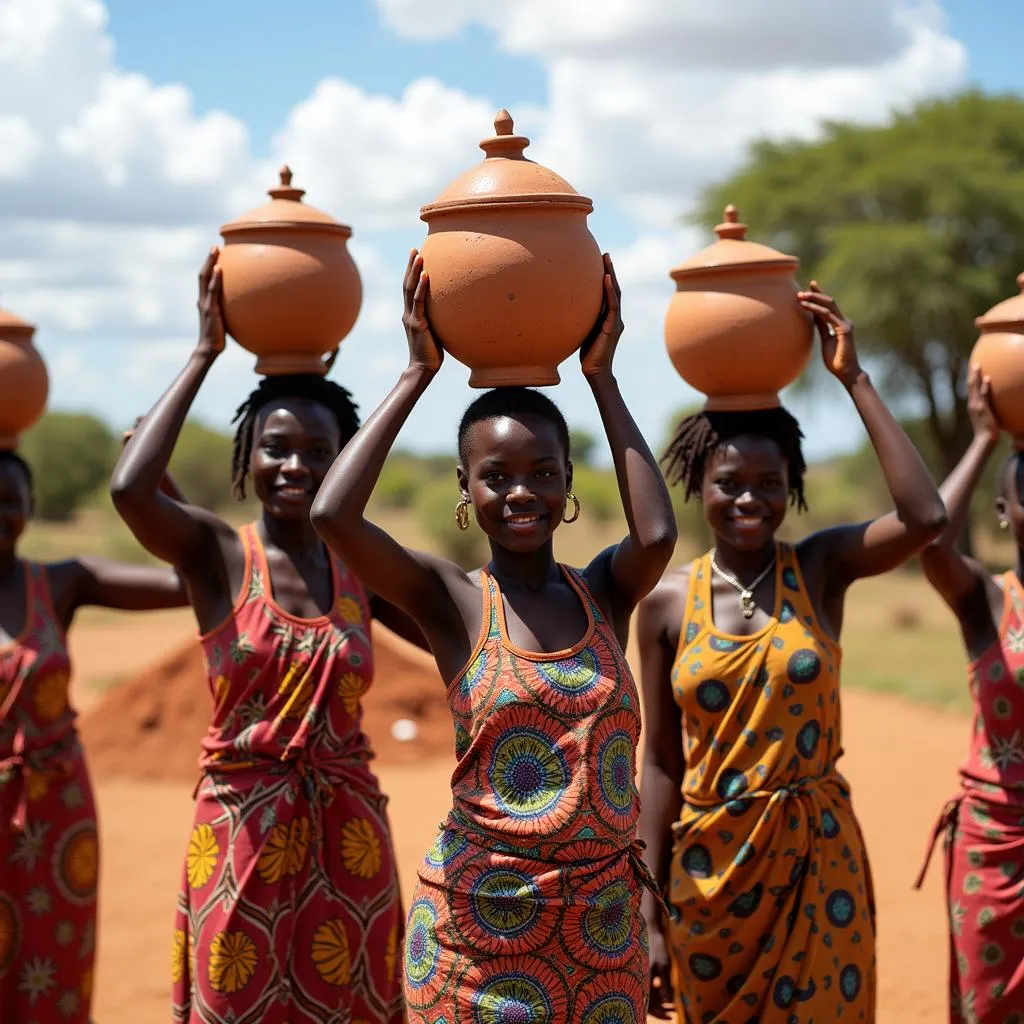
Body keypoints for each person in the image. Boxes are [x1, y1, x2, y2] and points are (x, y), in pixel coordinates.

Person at [310, 250, 677, 1022]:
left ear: (569, 483)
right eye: (497, 474)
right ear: (465, 488)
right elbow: (332, 516)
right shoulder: (452, 602)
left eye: (544, 472)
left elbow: (658, 532)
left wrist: (602, 376)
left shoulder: (605, 591)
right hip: (477, 934)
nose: (521, 492)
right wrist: (417, 374)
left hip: (603, 925)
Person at [110, 249, 422, 1024]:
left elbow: (471, 627)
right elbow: (130, 486)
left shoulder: (364, 572)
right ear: (247, 456)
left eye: (321, 453)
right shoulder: (217, 556)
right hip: (240, 835)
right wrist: (205, 353)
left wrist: (416, 375)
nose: (295, 465)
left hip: (349, 842)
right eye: (276, 447)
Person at [636, 282, 948, 1021]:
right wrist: (647, 912)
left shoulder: (820, 570)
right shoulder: (667, 603)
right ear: (697, 487)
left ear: (793, 487)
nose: (750, 501)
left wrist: (854, 378)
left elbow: (925, 515)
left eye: (769, 484)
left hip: (819, 860)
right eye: (730, 484)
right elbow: (659, 762)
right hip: (710, 875)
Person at [0, 449, 186, 1024]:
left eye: (11, 498)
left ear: (33, 506)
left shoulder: (58, 584)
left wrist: (157, 481)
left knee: (51, 966)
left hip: (55, 813)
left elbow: (191, 580)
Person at [915, 365, 1024, 1020]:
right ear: (1004, 512)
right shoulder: (989, 601)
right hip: (996, 847)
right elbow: (931, 538)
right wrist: (985, 439)